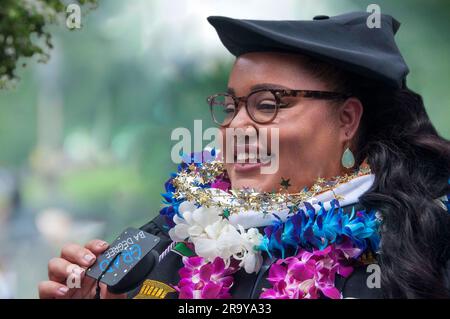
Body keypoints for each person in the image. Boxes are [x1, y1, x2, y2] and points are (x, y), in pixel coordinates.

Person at [39, 11, 450, 299]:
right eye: (232, 105)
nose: (236, 127)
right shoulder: (170, 234)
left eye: (268, 104)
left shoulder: (415, 244)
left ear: (346, 119)